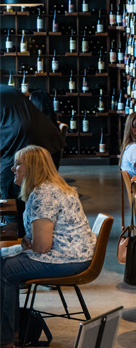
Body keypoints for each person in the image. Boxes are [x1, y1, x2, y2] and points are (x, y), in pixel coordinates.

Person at [1, 145, 96, 348]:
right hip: (76, 253)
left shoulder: (43, 194)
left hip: (66, 258)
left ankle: (5, 340)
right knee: (7, 264)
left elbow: (43, 247)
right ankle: (12, 332)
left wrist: (27, 243)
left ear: (32, 168)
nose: (12, 169)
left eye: (18, 164)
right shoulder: (51, 187)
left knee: (4, 270)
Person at [1, 86, 65, 236]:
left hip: (26, 142)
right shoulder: (7, 91)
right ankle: (33, 237)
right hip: (48, 140)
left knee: (12, 198)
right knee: (36, 199)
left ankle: (17, 243)